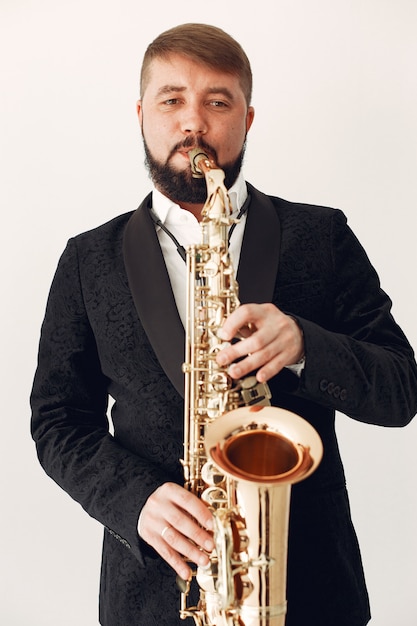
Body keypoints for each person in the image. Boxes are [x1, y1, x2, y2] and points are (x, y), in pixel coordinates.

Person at [30, 23, 417, 626]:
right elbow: (57, 421)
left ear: (248, 117)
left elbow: (401, 390)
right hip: (154, 595)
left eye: (218, 101)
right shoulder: (87, 260)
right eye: (172, 100)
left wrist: (305, 346)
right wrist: (135, 500)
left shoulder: (323, 236)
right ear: (140, 113)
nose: (194, 123)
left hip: (310, 590)